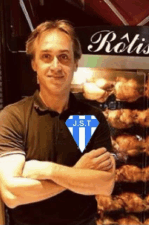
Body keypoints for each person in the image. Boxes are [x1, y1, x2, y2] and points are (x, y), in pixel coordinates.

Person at [0, 20, 115, 225]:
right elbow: (11, 193)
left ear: (75, 64)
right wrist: (79, 174)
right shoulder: (13, 117)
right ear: (34, 64)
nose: (56, 66)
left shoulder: (89, 118)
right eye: (46, 56)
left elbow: (105, 184)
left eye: (64, 57)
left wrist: (47, 170)